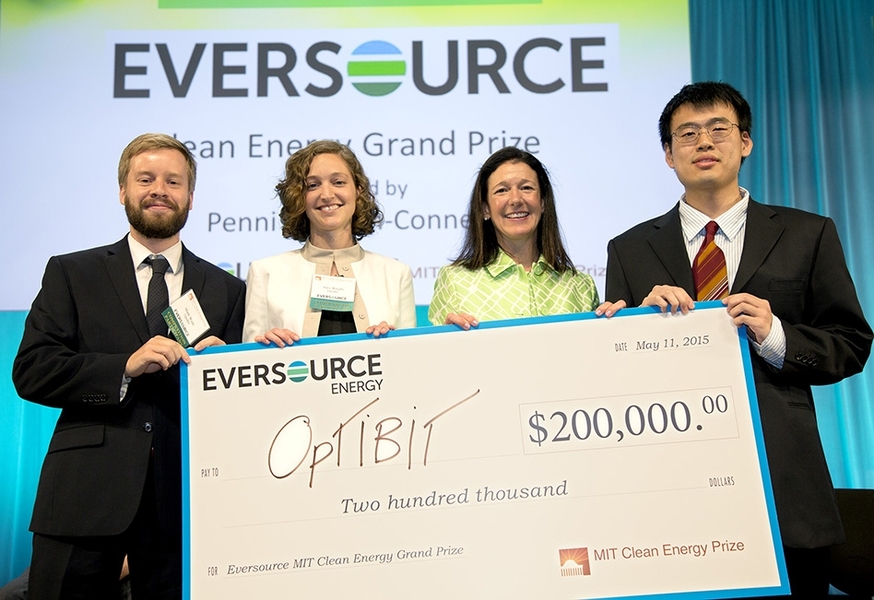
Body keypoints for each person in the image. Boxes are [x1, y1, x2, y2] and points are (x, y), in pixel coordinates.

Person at [604, 81, 872, 596]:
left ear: (745, 142)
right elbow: (620, 380)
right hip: (671, 488)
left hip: (785, 485)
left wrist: (775, 336)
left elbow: (851, 343)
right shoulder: (630, 249)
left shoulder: (808, 233)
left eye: (718, 130)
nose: (704, 142)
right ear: (668, 154)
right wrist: (632, 329)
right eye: (688, 133)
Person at [12, 133, 246, 599]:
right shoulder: (72, 272)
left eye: (173, 181)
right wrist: (124, 367)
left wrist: (222, 374)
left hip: (183, 508)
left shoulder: (226, 289)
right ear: (123, 190)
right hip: (83, 498)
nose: (159, 189)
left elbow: (236, 408)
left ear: (190, 197)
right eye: (146, 178)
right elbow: (33, 369)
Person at [244, 140, 415, 345]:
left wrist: (391, 344)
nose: (326, 195)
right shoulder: (265, 272)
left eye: (338, 182)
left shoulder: (396, 273)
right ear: (299, 197)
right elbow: (250, 364)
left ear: (358, 189)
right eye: (313, 185)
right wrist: (267, 347)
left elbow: (409, 361)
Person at [428, 146, 621, 327]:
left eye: (526, 188)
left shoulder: (580, 286)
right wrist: (445, 342)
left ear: (543, 202)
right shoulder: (454, 280)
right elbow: (434, 358)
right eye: (501, 190)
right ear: (485, 208)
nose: (516, 199)